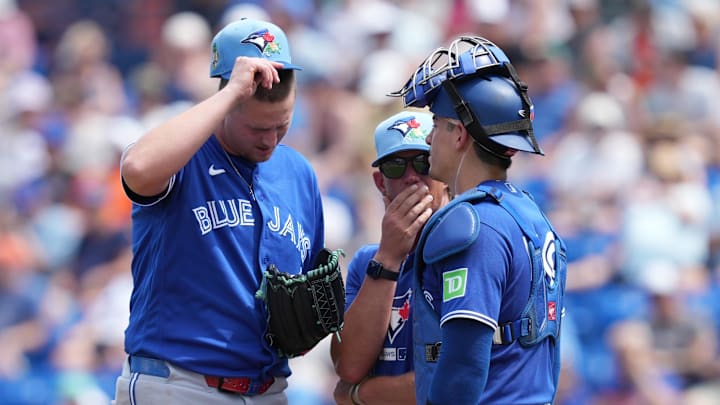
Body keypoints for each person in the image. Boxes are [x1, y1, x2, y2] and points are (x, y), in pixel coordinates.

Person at [113, 18, 327, 405]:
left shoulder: (298, 173)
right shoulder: (186, 153)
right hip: (179, 384)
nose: (270, 140)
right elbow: (137, 170)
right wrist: (229, 95)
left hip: (269, 390)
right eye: (256, 128)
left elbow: (307, 287)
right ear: (224, 103)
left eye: (280, 126)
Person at [389, 36, 568, 404]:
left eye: (437, 122)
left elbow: (464, 365)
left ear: (458, 134)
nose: (428, 135)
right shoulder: (528, 214)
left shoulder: (475, 225)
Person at [330, 111, 450, 404]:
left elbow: (452, 377)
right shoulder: (368, 261)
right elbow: (349, 365)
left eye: (424, 163)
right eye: (395, 166)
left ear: (444, 173)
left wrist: (360, 396)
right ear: (380, 183)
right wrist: (388, 258)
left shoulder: (466, 251)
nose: (411, 177)